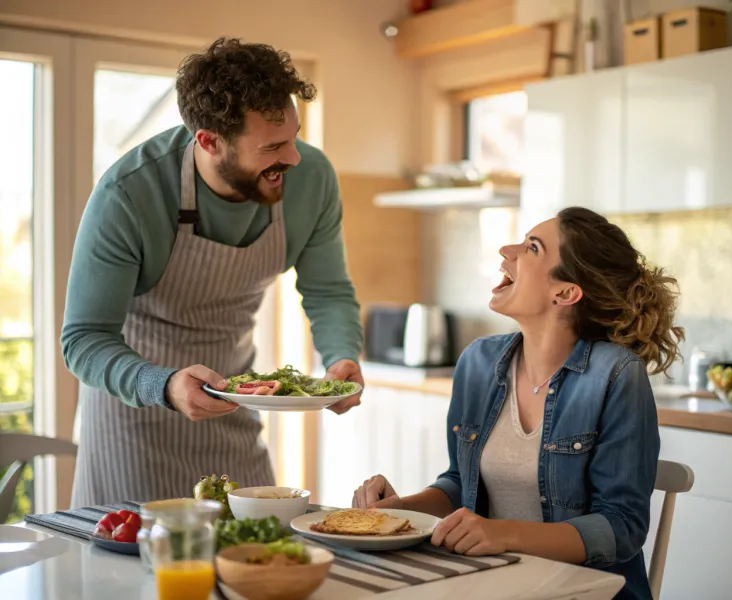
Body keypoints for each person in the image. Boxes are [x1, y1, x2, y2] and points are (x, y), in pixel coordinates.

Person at [62, 37, 364, 508]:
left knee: (257, 552)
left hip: (235, 405)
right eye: (274, 146)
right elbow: (83, 339)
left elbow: (328, 291)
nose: (294, 158)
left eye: (295, 136)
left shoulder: (312, 179)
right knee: (137, 570)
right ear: (208, 141)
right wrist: (160, 384)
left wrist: (342, 356)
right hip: (135, 412)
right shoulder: (130, 193)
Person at [352, 207, 684, 600]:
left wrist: (502, 533)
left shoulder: (615, 375)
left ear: (565, 292)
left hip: (585, 591)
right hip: (492, 584)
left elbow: (622, 527)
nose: (507, 251)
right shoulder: (478, 362)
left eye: (532, 248)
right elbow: (463, 484)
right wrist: (399, 510)